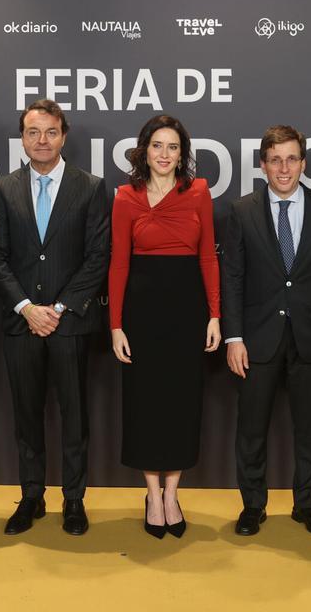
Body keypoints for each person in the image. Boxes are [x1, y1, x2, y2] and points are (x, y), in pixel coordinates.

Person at [0, 99, 110, 536]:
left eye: (51, 132)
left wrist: (57, 309)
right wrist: (26, 308)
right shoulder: (3, 187)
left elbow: (98, 257)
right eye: (33, 132)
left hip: (70, 323)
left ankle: (73, 501)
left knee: (75, 416)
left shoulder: (92, 187)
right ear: (22, 137)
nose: (42, 140)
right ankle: (32, 497)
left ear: (64, 135)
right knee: (26, 416)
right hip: (21, 323)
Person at [221, 125, 311, 537]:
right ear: (262, 164)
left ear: (304, 164)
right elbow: (232, 279)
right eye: (275, 159)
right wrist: (234, 337)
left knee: (309, 429)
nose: (283, 167)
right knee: (251, 429)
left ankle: (307, 506)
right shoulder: (239, 211)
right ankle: (252, 507)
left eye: (291, 158)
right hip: (256, 338)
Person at [108, 114, 221, 538]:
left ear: (182, 154)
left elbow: (208, 256)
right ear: (144, 150)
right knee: (145, 403)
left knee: (179, 402)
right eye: (157, 145)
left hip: (186, 310)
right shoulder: (124, 197)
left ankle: (172, 493)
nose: (164, 154)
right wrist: (116, 324)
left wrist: (214, 314)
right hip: (141, 312)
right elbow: (118, 263)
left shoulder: (198, 192)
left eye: (172, 147)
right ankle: (152, 494)